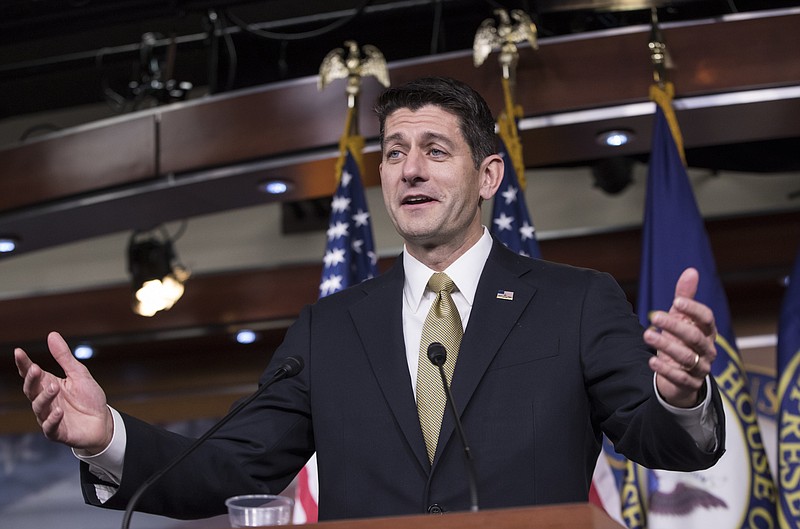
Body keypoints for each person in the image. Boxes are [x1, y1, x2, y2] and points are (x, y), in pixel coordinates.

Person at [15, 76, 724, 521]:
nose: (409, 168)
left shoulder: (576, 301)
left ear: (488, 175)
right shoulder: (331, 329)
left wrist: (684, 394)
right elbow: (228, 467)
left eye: (435, 150)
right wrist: (107, 435)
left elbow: (659, 439)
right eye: (393, 152)